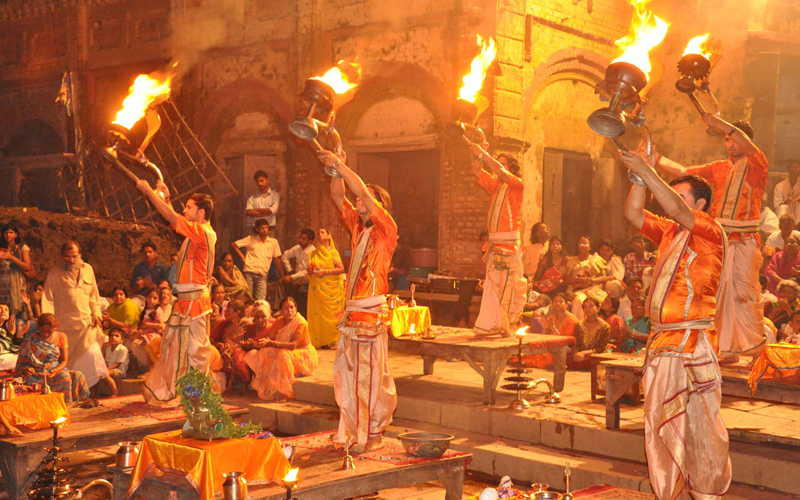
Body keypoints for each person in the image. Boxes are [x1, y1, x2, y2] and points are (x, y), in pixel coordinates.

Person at [622, 148, 731, 500]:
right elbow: (634, 212)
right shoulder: (670, 232)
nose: (672, 199)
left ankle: (705, 492)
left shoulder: (710, 229)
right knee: (660, 424)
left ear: (699, 204)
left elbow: (675, 208)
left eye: (681, 194)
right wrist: (639, 176)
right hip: (664, 342)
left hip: (690, 341)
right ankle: (668, 494)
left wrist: (647, 167)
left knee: (702, 427)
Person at [653, 115, 767, 360]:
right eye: (726, 140)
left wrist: (718, 121)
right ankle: (726, 350)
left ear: (747, 141)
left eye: (734, 139)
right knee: (716, 295)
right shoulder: (719, 167)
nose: (730, 144)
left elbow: (746, 145)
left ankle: (759, 351)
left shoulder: (758, 164)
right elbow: (684, 172)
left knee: (745, 295)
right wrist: (656, 160)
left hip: (745, 239)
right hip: (719, 238)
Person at [318, 148, 398, 453]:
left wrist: (340, 164)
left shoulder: (385, 228)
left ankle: (370, 433)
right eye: (360, 203)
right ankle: (354, 429)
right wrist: (338, 168)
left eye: (366, 201)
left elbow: (360, 190)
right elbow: (339, 196)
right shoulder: (358, 227)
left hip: (370, 312)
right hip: (352, 313)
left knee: (369, 376)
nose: (359, 204)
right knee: (347, 374)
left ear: (378, 206)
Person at [135, 179, 217, 405]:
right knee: (176, 349)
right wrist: (166, 199)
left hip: (195, 303)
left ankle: (195, 396)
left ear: (200, 212)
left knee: (195, 352)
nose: (184, 210)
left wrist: (148, 192)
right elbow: (175, 219)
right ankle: (178, 392)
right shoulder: (197, 232)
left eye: (189, 207)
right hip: (187, 301)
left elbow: (172, 218)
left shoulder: (204, 232)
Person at [468, 142, 527, 337]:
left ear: (511, 169)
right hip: (495, 243)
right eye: (498, 162)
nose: (498, 166)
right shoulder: (495, 185)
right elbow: (476, 169)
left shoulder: (516, 184)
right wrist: (478, 156)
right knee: (493, 285)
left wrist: (484, 154)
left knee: (509, 286)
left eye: (503, 164)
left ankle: (507, 327)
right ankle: (492, 324)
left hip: (509, 243)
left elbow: (499, 171)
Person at [42, 241, 108, 388]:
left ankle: (92, 389)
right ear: (62, 256)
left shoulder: (88, 269)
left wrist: (97, 313)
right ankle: (76, 390)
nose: (71, 260)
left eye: (74, 256)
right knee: (71, 363)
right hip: (66, 328)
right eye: (67, 257)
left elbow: (93, 296)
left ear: (80, 255)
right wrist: (49, 324)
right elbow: (48, 299)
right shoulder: (55, 273)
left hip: (87, 325)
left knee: (93, 354)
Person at [243, 297, 317, 400]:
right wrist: (257, 344)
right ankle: (265, 387)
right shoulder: (279, 321)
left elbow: (293, 345)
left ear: (296, 309)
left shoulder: (300, 323)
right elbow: (268, 339)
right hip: (285, 350)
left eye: (292, 307)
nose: (289, 310)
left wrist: (271, 343)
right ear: (281, 311)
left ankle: (286, 391)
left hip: (305, 356)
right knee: (264, 352)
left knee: (283, 355)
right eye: (286, 308)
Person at [16, 313, 90, 404]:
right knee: (65, 377)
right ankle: (63, 405)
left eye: (49, 331)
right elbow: (22, 363)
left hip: (55, 370)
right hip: (37, 374)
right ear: (38, 328)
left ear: (55, 328)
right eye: (43, 331)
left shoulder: (61, 337)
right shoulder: (31, 340)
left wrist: (55, 370)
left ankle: (79, 403)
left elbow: (64, 361)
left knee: (78, 375)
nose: (46, 334)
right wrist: (26, 369)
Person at [307, 228, 345, 349]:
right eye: (318, 233)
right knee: (318, 313)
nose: (320, 234)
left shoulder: (333, 252)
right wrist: (311, 271)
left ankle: (333, 340)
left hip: (331, 289)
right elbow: (311, 271)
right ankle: (321, 340)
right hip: (317, 287)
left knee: (331, 315)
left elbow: (341, 269)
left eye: (323, 232)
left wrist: (325, 272)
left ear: (329, 236)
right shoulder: (314, 253)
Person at [232, 218, 283, 301]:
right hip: (249, 271)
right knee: (248, 298)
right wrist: (242, 257)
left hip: (262, 273)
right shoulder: (251, 239)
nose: (264, 230)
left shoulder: (273, 242)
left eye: (266, 228)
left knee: (261, 300)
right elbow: (234, 245)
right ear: (257, 229)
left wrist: (282, 275)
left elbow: (277, 260)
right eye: (262, 228)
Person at [278, 229, 317, 316]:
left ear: (310, 241)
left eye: (303, 239)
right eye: (300, 238)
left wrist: (291, 277)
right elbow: (284, 256)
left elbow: (306, 271)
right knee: (280, 282)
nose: (300, 240)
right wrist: (290, 270)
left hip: (306, 276)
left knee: (294, 284)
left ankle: (292, 308)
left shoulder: (313, 251)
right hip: (296, 274)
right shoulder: (297, 248)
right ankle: (280, 308)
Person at [0, 224, 33, 318]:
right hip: (3, 285)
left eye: (11, 232)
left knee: (19, 311)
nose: (8, 235)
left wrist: (11, 257)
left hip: (18, 283)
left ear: (16, 234)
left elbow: (27, 267)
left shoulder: (22, 247)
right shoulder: (1, 248)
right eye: (6, 233)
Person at [570, 297, 610, 368]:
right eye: (585, 307)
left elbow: (600, 348)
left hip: (595, 356)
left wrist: (584, 353)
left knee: (594, 361)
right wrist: (576, 354)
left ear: (598, 308)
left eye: (591, 306)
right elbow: (575, 344)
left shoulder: (605, 326)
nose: (588, 309)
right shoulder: (579, 325)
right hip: (580, 356)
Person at [0, 303, 25, 370]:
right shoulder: (6, 333)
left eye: (6, 310)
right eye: (0, 308)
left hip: (6, 359)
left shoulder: (3, 331)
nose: (3, 311)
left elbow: (12, 351)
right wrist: (10, 335)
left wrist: (19, 336)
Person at [103, 328, 128, 396]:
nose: (113, 337)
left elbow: (117, 364)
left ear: (121, 340)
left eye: (117, 336)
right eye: (111, 335)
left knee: (105, 373)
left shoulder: (123, 349)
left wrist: (106, 370)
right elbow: (106, 361)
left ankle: (115, 392)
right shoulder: (107, 349)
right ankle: (92, 392)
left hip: (119, 371)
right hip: (110, 369)